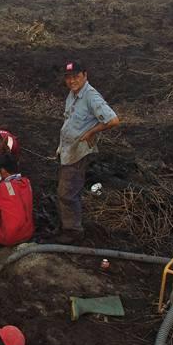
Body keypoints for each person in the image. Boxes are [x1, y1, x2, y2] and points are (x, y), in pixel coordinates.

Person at [55, 61, 120, 243]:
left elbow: (113, 120)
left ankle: (73, 231)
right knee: (67, 188)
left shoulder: (91, 97)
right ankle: (68, 222)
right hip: (68, 149)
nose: (71, 81)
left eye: (76, 76)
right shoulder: (73, 94)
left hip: (78, 152)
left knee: (67, 193)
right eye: (68, 77)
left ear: (85, 75)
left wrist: (92, 132)